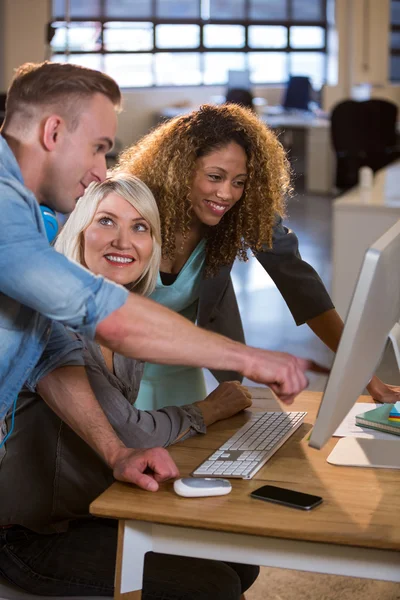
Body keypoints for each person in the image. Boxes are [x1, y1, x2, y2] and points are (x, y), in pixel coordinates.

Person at [0, 62, 322, 491]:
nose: (101, 170)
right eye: (98, 147)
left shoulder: (32, 214)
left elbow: (50, 355)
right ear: (53, 132)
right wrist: (249, 358)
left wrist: (117, 453)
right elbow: (99, 310)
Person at [0, 173, 258, 600]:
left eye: (140, 227)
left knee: (239, 559)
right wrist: (208, 409)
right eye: (106, 221)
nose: (123, 241)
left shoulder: (122, 319)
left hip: (91, 512)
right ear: (78, 231)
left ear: (152, 245)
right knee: (213, 585)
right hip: (26, 538)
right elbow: (129, 433)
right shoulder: (54, 318)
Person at [116, 102, 400, 410]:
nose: (226, 194)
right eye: (215, 176)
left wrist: (366, 378)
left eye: (239, 182)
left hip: (180, 373)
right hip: (114, 371)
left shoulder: (238, 213)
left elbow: (303, 287)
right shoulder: (127, 210)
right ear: (180, 170)